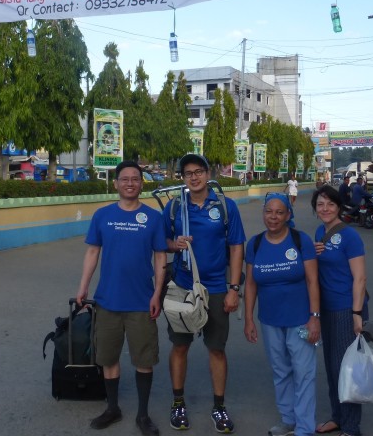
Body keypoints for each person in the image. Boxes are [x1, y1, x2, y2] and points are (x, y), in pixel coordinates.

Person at [77, 160, 166, 436]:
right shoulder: (102, 215)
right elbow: (93, 253)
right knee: (108, 357)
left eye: (135, 179)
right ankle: (112, 408)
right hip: (108, 300)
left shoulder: (153, 218)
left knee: (144, 359)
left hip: (141, 301)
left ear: (141, 183)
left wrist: (157, 294)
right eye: (124, 179)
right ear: (116, 183)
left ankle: (142, 414)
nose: (130, 183)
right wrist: (83, 287)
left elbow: (161, 256)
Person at [164, 154, 246, 433]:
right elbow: (161, 241)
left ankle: (219, 408)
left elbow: (237, 247)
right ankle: (178, 403)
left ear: (208, 173)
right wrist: (175, 244)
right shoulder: (175, 207)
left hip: (217, 289)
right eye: (188, 173)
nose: (194, 177)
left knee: (217, 349)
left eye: (199, 171)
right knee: (180, 346)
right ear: (183, 178)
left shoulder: (224, 206)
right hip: (183, 288)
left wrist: (234, 289)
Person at [243, 193, 321, 436]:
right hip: (270, 321)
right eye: (269, 211)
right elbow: (251, 285)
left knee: (304, 372)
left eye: (279, 212)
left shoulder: (300, 241)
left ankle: (305, 428)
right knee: (281, 371)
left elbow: (312, 281)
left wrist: (314, 316)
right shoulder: (255, 244)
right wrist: (248, 319)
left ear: (288, 215)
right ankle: (288, 419)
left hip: (300, 320)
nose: (273, 217)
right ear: (263, 213)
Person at [309, 185, 368, 436]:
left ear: (339, 207)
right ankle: (337, 417)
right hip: (326, 309)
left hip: (346, 309)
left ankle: (352, 427)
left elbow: (360, 278)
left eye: (330, 204)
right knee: (332, 366)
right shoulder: (319, 232)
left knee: (347, 368)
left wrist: (356, 314)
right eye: (320, 204)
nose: (325, 209)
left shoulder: (350, 236)